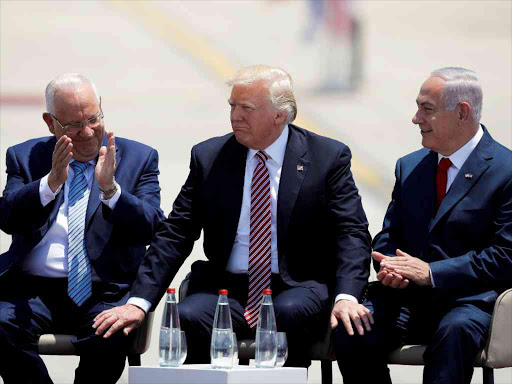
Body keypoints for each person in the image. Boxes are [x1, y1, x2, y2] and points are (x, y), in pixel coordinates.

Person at [93, 65, 373, 369]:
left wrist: (347, 295)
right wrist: (139, 303)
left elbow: (352, 232)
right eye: (232, 106)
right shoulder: (210, 156)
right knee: (189, 314)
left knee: (286, 312)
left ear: (280, 115)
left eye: (246, 108)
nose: (235, 116)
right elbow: (176, 234)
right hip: (227, 286)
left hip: (297, 285)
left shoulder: (326, 157)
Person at [335, 67, 512, 384]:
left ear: (461, 112)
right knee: (354, 325)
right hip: (406, 300)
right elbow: (388, 236)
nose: (416, 118)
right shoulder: (411, 165)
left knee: (453, 334)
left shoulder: (505, 171)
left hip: (469, 303)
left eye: (426, 109)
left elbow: (506, 255)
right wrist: (389, 266)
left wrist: (431, 273)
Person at [0, 73, 165, 384]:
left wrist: (111, 191)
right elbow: (8, 218)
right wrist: (49, 184)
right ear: (50, 123)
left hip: (104, 289)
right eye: (73, 125)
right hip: (34, 289)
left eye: (93, 119)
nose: (87, 132)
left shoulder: (138, 157)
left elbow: (152, 229)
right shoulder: (25, 156)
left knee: (111, 332)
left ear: (101, 108)